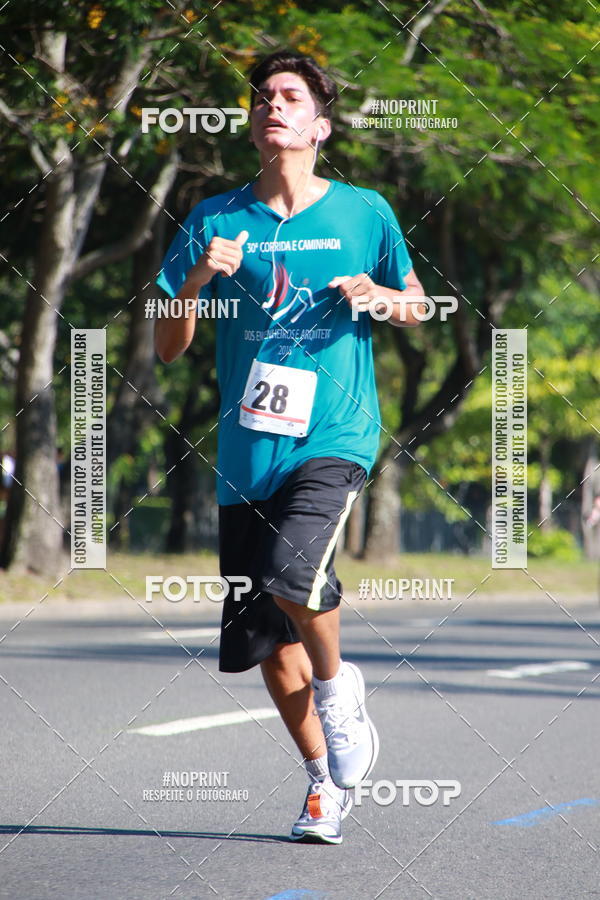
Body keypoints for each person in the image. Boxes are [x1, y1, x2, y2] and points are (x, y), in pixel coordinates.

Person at [154, 50, 425, 844]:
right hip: (246, 452)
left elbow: (416, 305)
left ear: (319, 124)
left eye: (290, 95)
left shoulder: (364, 212)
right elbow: (168, 347)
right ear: (252, 123)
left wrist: (381, 297)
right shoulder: (213, 219)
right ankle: (321, 785)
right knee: (268, 642)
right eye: (263, 97)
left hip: (334, 435)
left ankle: (341, 691)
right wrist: (198, 280)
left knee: (293, 572)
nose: (272, 105)